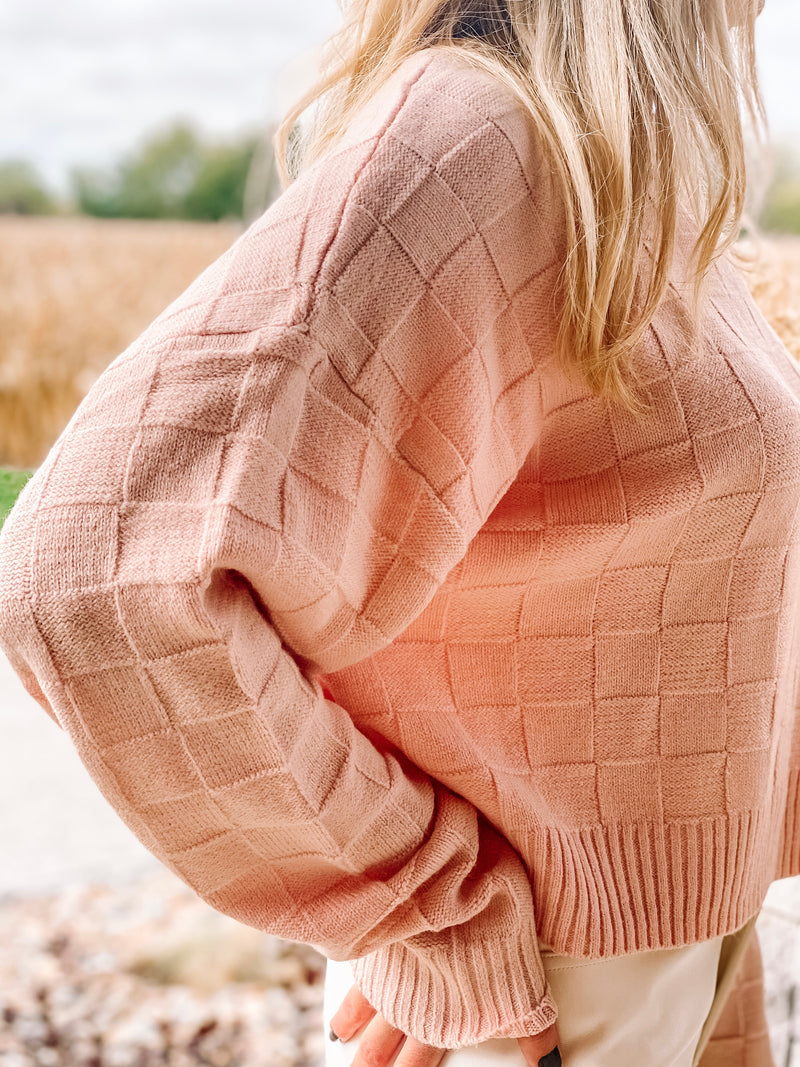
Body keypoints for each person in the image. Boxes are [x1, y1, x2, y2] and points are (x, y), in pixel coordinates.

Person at [0, 0, 790, 1064]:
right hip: (536, 1004)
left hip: (664, 958)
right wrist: (432, 917)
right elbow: (97, 570)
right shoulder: (480, 134)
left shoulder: (632, 180)